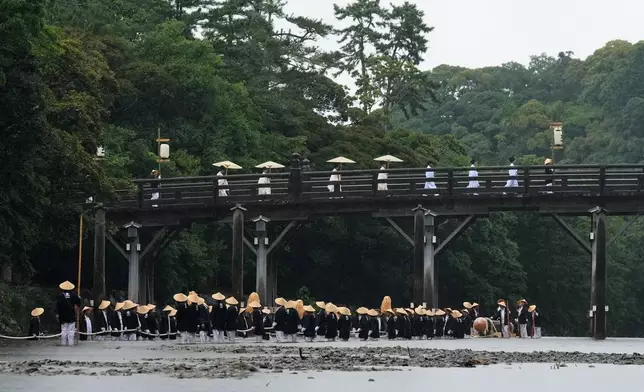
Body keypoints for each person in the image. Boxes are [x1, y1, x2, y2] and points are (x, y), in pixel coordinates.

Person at [55, 280, 81, 346]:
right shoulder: (74, 295)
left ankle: (63, 343)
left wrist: (57, 314)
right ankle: (70, 343)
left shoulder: (60, 296)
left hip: (62, 316)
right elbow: (78, 304)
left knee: (63, 331)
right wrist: (79, 298)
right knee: (71, 331)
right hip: (71, 315)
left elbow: (57, 306)